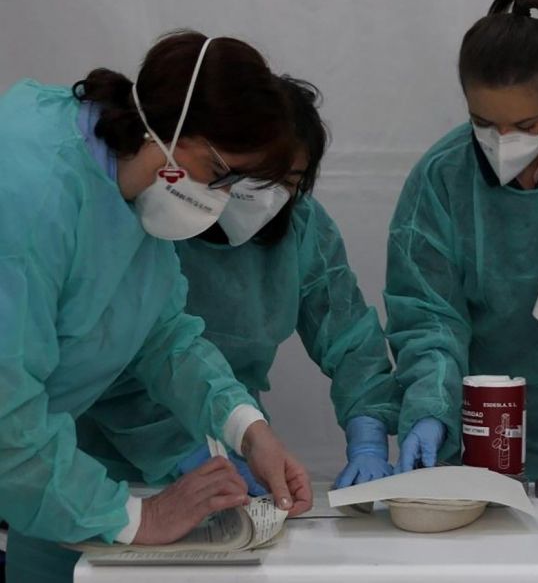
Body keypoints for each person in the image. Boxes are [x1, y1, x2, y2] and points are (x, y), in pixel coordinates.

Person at [0, 30, 312, 583]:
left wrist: (247, 427)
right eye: (220, 174)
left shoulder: (135, 196)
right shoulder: (30, 191)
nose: (220, 198)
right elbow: (5, 409)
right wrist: (135, 518)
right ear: (166, 129)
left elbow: (164, 336)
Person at [75, 75, 402, 493]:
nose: (269, 196)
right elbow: (118, 365)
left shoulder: (300, 228)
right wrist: (188, 456)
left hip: (235, 435)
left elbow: (350, 336)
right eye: (258, 176)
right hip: (103, 467)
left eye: (288, 181)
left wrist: (368, 436)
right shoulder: (153, 219)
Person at [386, 0, 538, 479]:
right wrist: (430, 407)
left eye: (525, 124)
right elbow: (428, 316)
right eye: (483, 123)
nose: (503, 143)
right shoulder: (442, 177)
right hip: (482, 420)